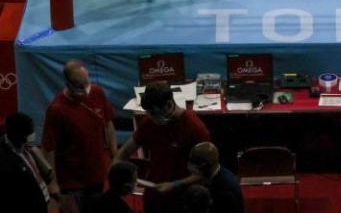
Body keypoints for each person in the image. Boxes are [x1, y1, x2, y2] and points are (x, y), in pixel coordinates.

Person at [115, 82, 211, 213]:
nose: (152, 118)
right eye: (149, 114)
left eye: (154, 113)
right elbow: (123, 152)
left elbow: (207, 172)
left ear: (169, 105)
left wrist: (174, 185)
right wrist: (115, 174)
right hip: (155, 194)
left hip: (183, 198)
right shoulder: (150, 122)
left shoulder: (195, 128)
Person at [42, 59, 118, 213]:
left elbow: (108, 124)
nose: (84, 90)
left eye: (86, 83)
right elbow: (48, 148)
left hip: (97, 174)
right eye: (79, 86)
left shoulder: (97, 93)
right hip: (71, 182)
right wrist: (52, 183)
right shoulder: (57, 110)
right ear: (68, 83)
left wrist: (115, 156)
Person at [1, 111, 57, 212]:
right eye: (29, 131)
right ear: (17, 134)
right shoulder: (5, 162)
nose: (32, 134)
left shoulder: (29, 148)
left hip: (43, 202)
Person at [188, 142, 244, 213]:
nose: (190, 164)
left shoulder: (225, 190)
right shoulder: (215, 173)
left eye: (194, 160)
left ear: (204, 163)